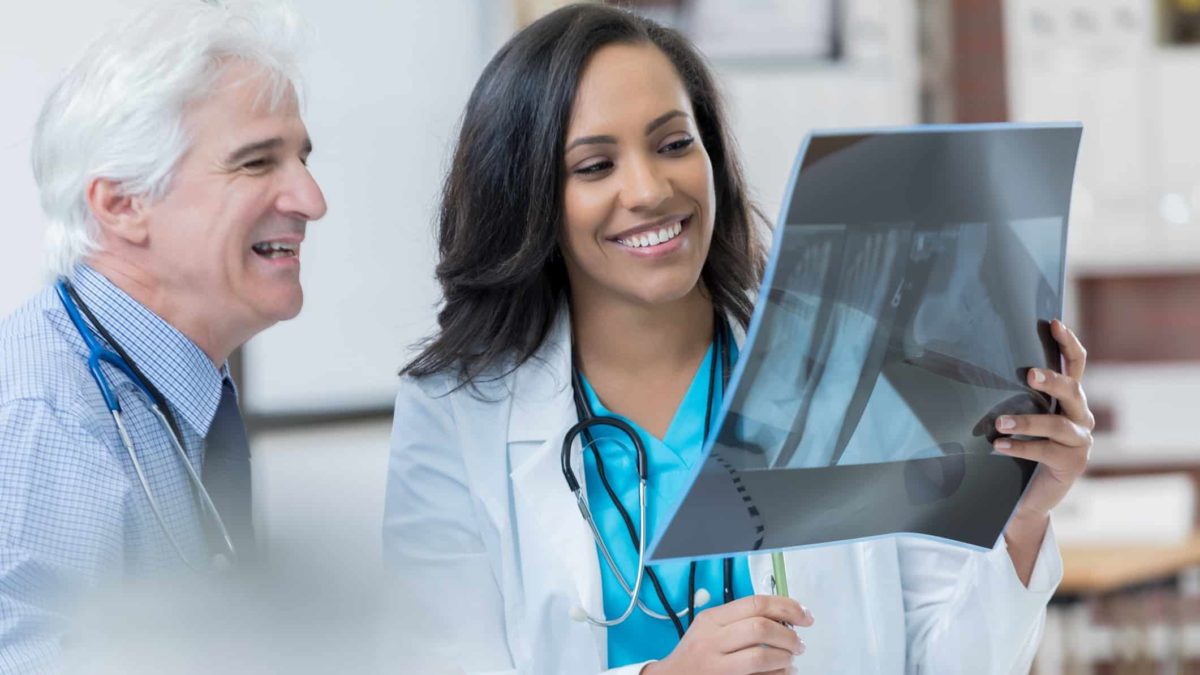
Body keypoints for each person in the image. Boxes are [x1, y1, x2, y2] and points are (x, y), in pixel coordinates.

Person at [383, 5, 1094, 674]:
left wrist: (1022, 519)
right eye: (595, 165)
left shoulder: (850, 358)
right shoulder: (453, 412)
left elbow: (942, 660)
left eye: (673, 144)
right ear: (529, 195)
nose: (650, 188)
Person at [0, 1, 326, 671]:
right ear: (123, 204)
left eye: (301, 158)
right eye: (257, 163)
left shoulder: (175, 384)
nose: (310, 198)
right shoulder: (48, 419)